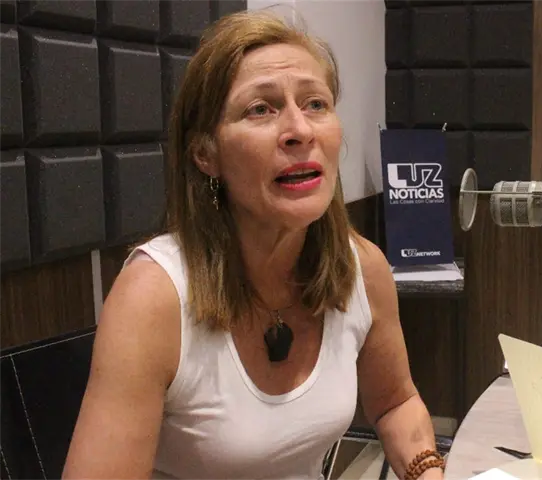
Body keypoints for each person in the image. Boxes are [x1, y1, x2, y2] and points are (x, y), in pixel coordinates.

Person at [62, 9, 444, 480]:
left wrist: (427, 471)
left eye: (316, 104)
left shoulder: (363, 269)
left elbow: (396, 403)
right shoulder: (152, 296)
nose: (300, 130)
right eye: (261, 109)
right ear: (206, 154)